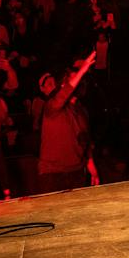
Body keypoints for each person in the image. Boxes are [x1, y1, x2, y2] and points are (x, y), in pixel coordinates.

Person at [34, 53, 98, 192]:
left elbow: (84, 141)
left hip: (76, 171)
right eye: (75, 80)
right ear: (64, 84)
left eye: (81, 80)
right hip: (53, 174)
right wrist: (82, 70)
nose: (79, 83)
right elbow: (62, 96)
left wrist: (92, 168)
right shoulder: (52, 106)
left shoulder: (81, 110)